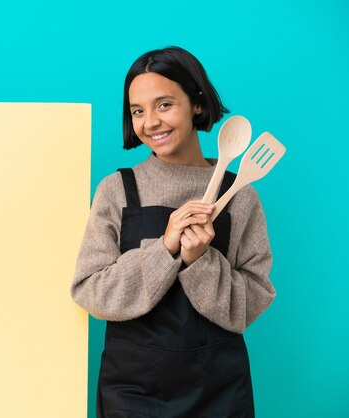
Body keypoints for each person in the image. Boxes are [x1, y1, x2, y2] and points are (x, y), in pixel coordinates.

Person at [70, 46, 276, 418]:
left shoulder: (241, 194)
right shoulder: (116, 190)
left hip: (218, 390)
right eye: (138, 111)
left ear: (197, 103)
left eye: (164, 105)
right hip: (131, 393)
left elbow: (250, 303)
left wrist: (201, 262)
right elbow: (90, 291)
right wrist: (165, 249)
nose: (150, 122)